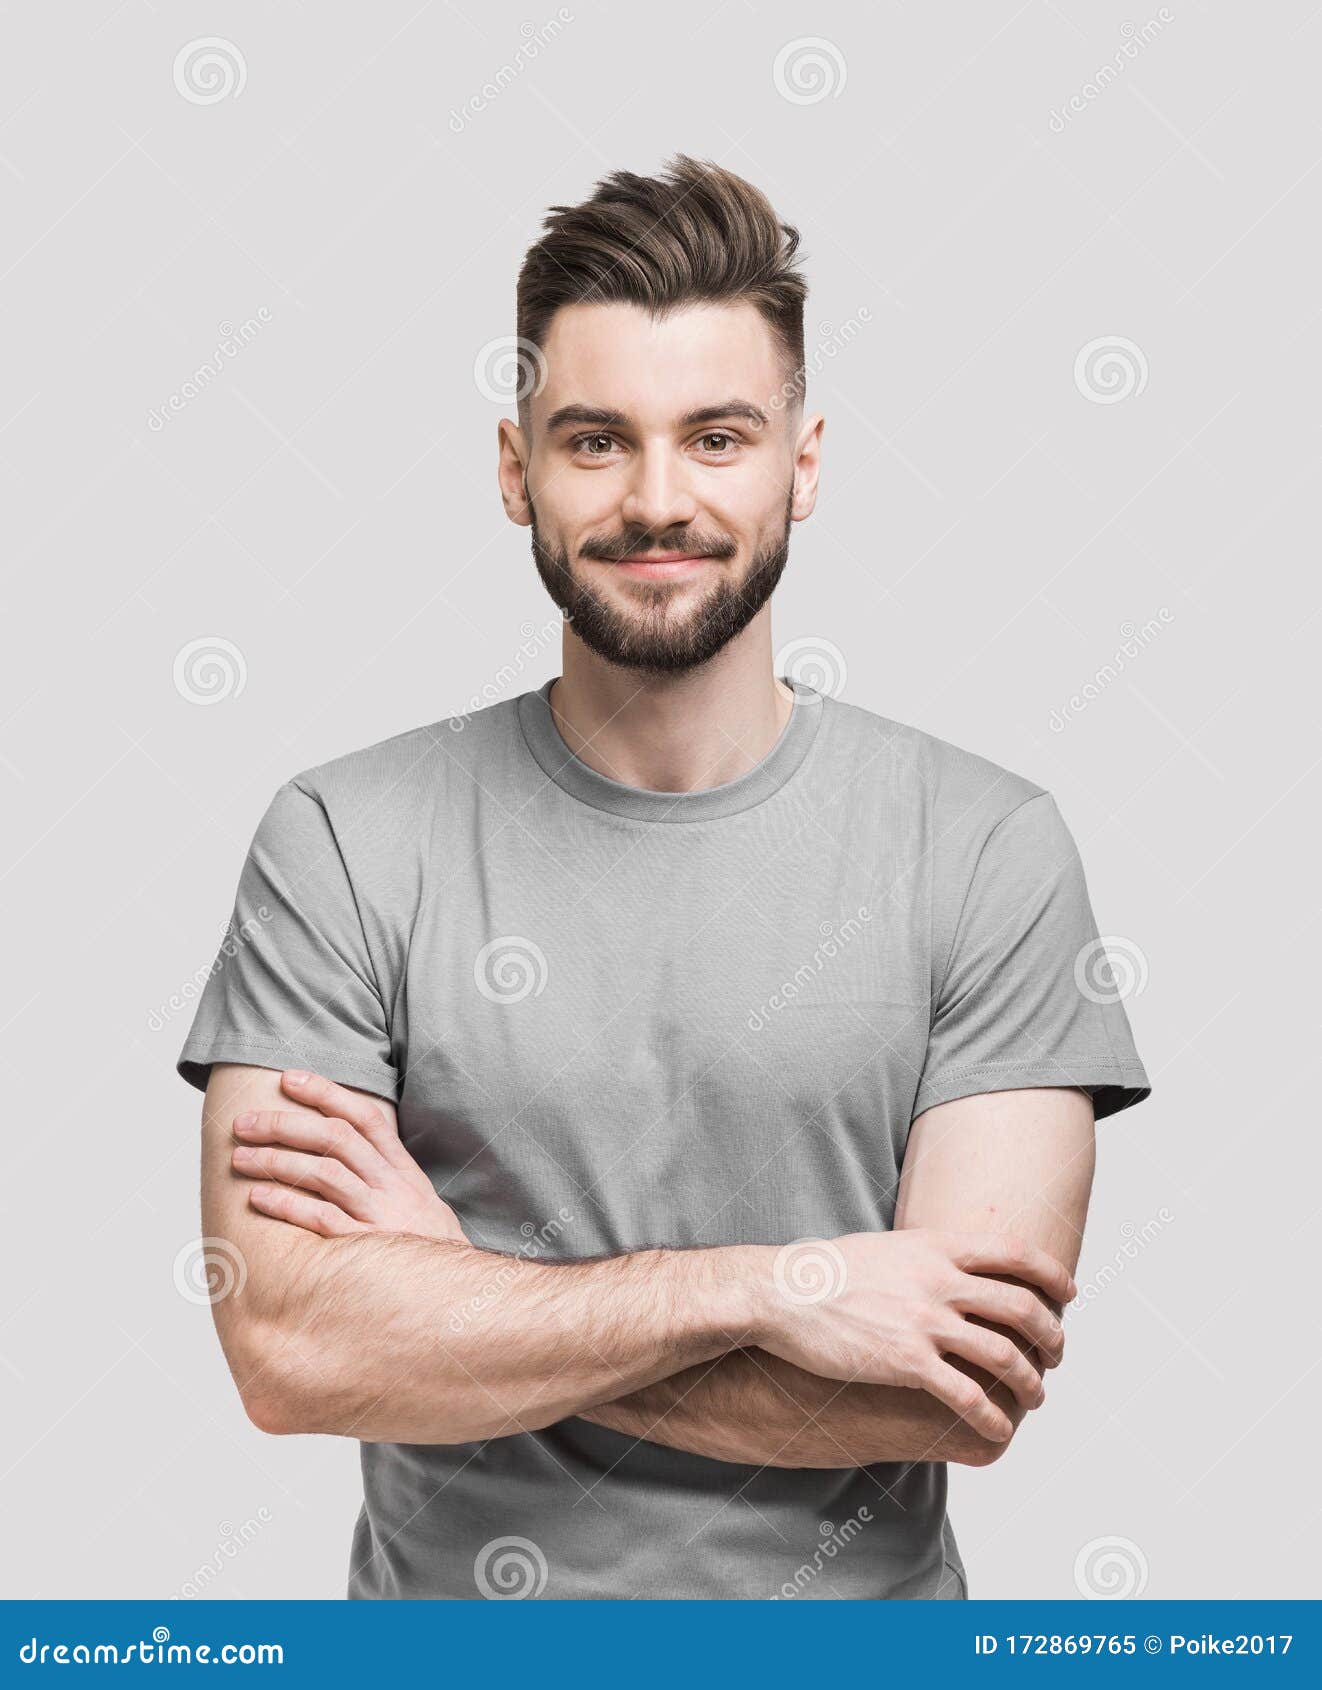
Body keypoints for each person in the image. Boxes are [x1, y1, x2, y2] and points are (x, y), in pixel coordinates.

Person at [177, 155, 1151, 1601]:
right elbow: (291, 1352)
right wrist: (779, 1290)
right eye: (592, 441)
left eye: (714, 436)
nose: (654, 498)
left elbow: (951, 1394)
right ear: (514, 470)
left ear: (799, 464)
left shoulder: (984, 843)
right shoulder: (344, 837)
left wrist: (457, 1296)